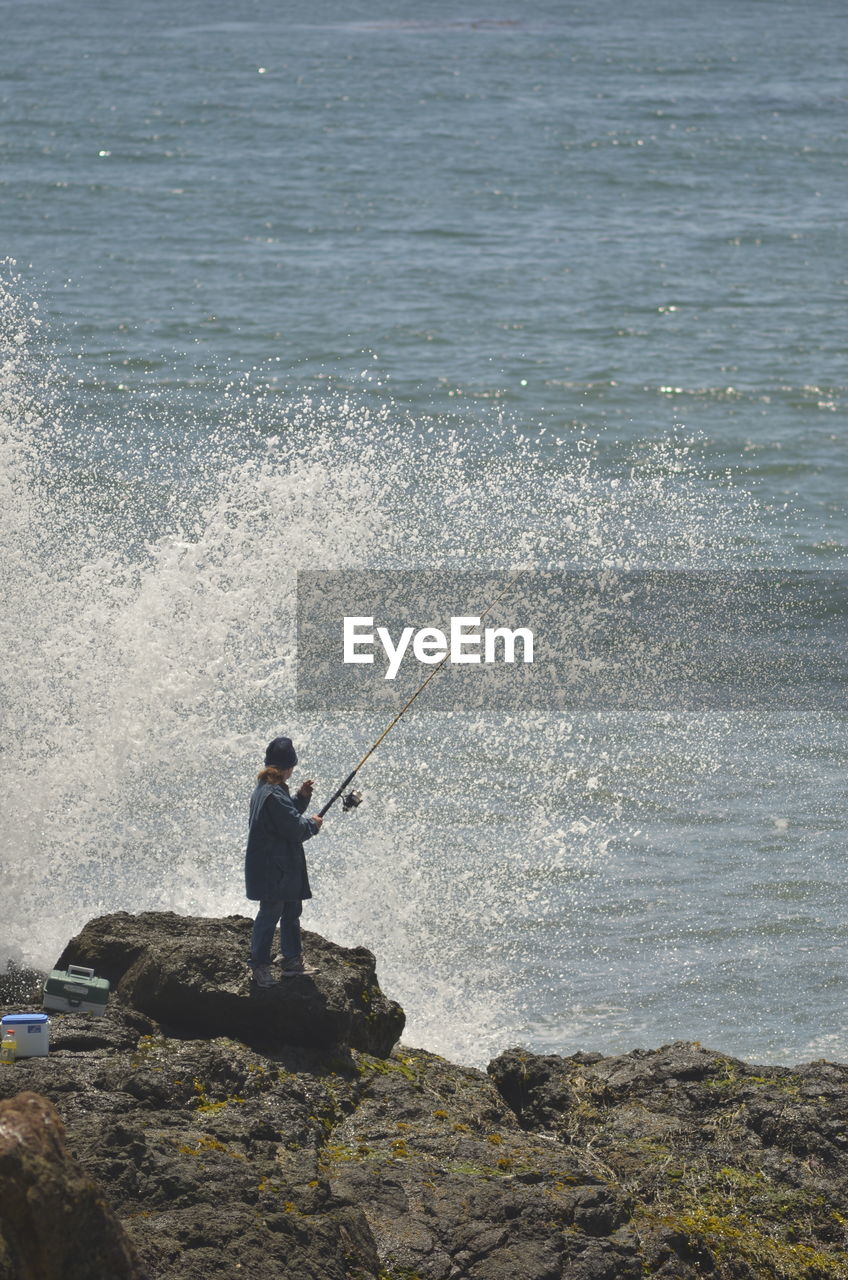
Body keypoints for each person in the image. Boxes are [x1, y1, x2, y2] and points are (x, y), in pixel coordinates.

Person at [245, 735, 324, 988]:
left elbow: (285, 815)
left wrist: (301, 798)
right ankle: (259, 965)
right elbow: (295, 828)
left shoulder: (267, 790)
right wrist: (313, 824)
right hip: (274, 868)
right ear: (288, 767)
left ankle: (291, 960)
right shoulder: (273, 795)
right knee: (270, 914)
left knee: (291, 910)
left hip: (280, 867)